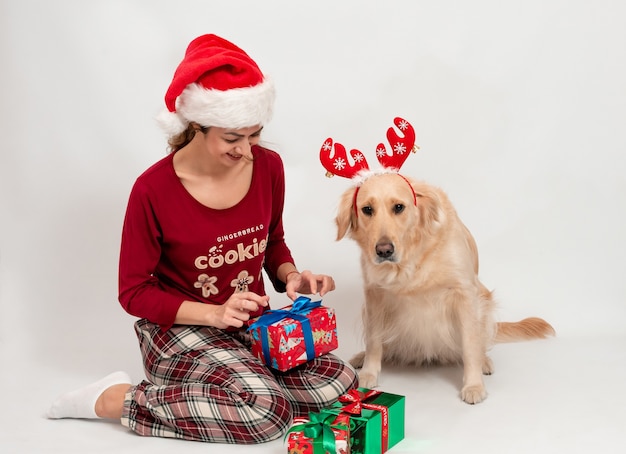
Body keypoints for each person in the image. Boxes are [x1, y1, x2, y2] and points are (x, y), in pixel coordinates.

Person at [46, 33, 358, 444]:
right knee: (267, 414)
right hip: (179, 331)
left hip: (250, 324)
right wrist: (212, 314)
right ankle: (113, 399)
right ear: (196, 126)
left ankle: (243, 386)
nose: (247, 150)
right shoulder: (152, 190)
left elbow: (272, 241)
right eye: (232, 138)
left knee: (340, 381)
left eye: (255, 134)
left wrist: (292, 277)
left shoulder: (269, 167)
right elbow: (133, 292)